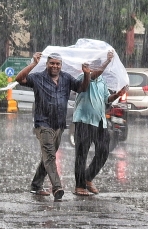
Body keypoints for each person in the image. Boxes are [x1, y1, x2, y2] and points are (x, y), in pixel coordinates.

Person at [15, 52, 91, 202]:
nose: (55, 66)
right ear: (47, 64)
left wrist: (87, 74)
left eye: (58, 64)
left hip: (59, 125)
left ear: (61, 65)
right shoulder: (38, 78)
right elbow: (19, 79)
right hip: (43, 124)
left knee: (47, 158)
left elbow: (82, 88)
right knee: (50, 156)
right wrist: (33, 64)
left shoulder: (66, 78)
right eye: (52, 63)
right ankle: (57, 187)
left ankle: (36, 185)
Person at [72, 52, 127, 196]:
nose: (96, 69)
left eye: (98, 65)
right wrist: (107, 61)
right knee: (81, 154)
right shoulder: (83, 78)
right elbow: (92, 76)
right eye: (94, 66)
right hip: (84, 120)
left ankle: (88, 177)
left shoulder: (102, 81)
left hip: (100, 122)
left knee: (103, 151)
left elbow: (106, 99)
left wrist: (118, 94)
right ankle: (79, 186)